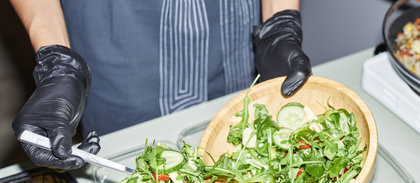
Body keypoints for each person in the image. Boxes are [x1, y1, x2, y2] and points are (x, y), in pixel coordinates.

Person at [10, 0, 311, 171]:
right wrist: (57, 62)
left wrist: (278, 24)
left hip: (233, 27)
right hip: (121, 30)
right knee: (134, 168)